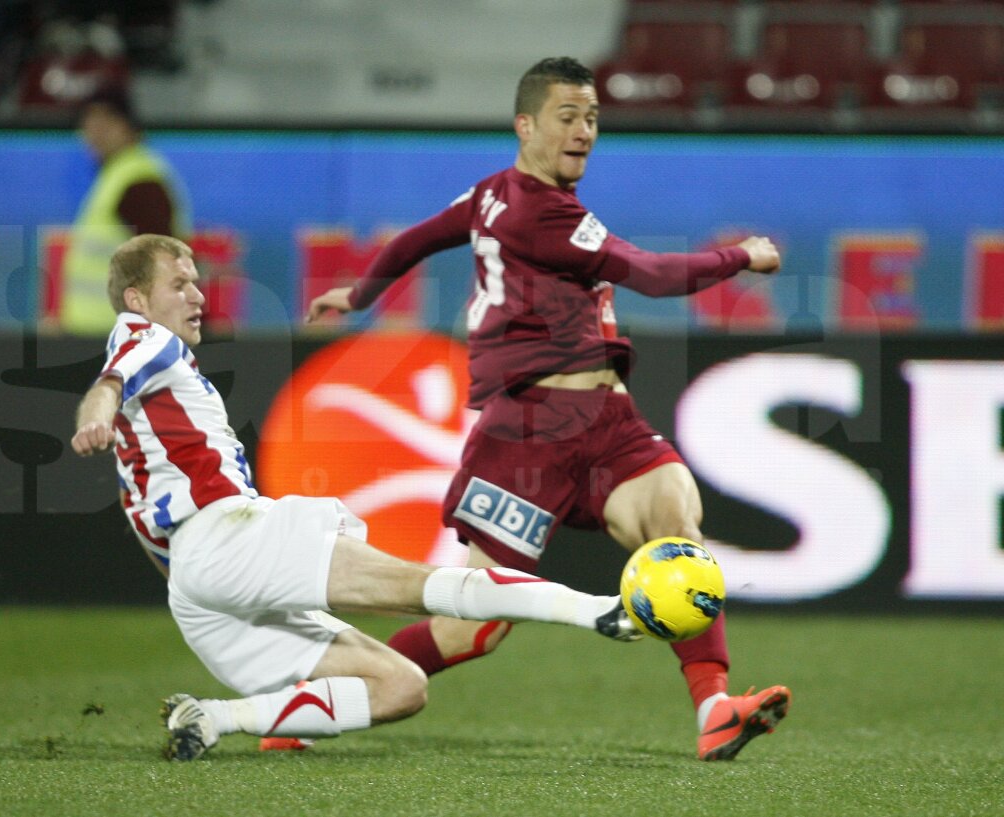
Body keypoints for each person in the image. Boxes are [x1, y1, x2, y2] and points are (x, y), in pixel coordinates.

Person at [308, 56, 791, 762]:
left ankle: (715, 707)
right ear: (525, 124)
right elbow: (654, 275)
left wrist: (359, 292)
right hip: (528, 436)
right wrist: (740, 256)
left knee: (675, 527)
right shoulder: (542, 214)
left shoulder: (493, 195)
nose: (585, 131)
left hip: (607, 424)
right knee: (471, 627)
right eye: (568, 116)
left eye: (592, 117)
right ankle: (310, 696)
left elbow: (418, 237)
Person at [71, 233, 643, 759]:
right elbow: (110, 383)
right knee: (435, 589)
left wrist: (194, 584)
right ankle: (600, 610)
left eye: (197, 280)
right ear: (137, 299)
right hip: (228, 539)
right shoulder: (145, 339)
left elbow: (146, 518)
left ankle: (215, 718)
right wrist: (95, 415)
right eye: (179, 284)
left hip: (197, 586)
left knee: (400, 686)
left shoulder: (156, 402)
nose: (197, 294)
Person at [59, 84, 191, 336]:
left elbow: (165, 265)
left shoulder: (138, 182)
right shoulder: (115, 178)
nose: (95, 131)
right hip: (103, 338)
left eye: (107, 120)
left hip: (125, 342)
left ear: (129, 126)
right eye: (89, 120)